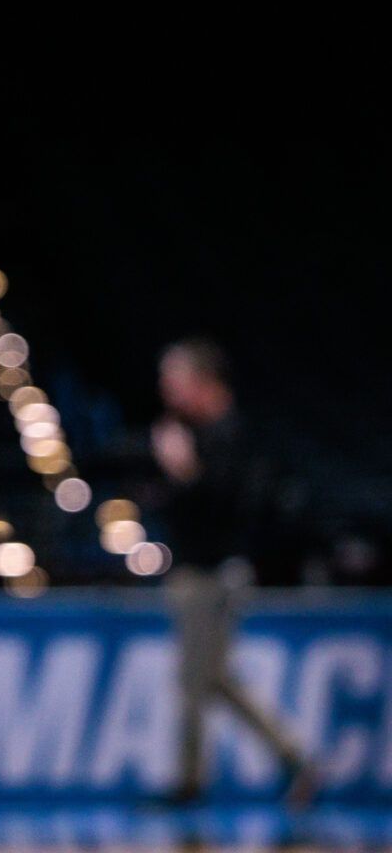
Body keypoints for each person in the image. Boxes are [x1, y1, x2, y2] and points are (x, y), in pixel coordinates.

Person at [152, 337, 319, 806]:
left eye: (175, 379)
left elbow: (229, 507)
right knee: (214, 679)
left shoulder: (233, 436)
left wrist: (183, 471)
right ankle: (293, 758)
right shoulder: (197, 432)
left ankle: (189, 783)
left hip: (213, 574)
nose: (167, 390)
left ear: (202, 381)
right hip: (198, 570)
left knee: (195, 681)